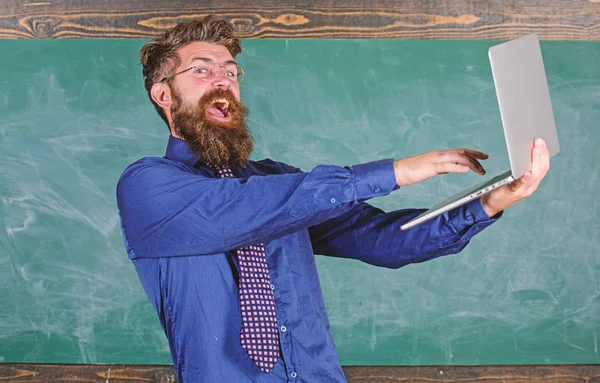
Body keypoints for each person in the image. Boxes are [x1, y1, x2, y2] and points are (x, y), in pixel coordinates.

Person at [116, 15, 550, 383]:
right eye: (202, 70)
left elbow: (383, 239)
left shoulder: (279, 182)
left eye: (230, 72)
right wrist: (398, 171)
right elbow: (246, 207)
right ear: (163, 93)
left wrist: (493, 200)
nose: (223, 82)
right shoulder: (149, 187)